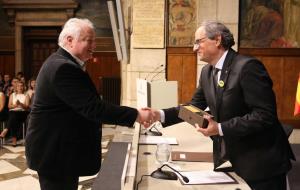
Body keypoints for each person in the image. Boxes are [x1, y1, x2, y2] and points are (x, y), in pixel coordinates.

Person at [151, 20, 295, 189]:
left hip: (262, 163)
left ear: (217, 40)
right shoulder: (207, 72)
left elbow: (265, 116)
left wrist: (219, 128)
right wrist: (158, 115)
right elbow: (193, 107)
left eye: (198, 42)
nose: (194, 48)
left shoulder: (248, 67)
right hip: (235, 158)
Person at [25, 18, 152, 190]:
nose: (94, 45)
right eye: (89, 40)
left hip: (59, 153)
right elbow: (93, 108)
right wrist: (136, 115)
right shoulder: (63, 68)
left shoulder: (62, 62)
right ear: (69, 40)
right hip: (54, 154)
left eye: (94, 40)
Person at [0, 81, 30, 146]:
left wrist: (20, 104)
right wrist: (16, 105)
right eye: (18, 86)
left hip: (22, 113)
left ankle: (7, 131)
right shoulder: (12, 95)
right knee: (13, 116)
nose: (20, 87)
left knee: (13, 116)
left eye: (21, 86)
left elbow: (27, 107)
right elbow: (9, 106)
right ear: (16, 87)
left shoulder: (26, 95)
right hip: (13, 112)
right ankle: (12, 138)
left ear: (24, 87)